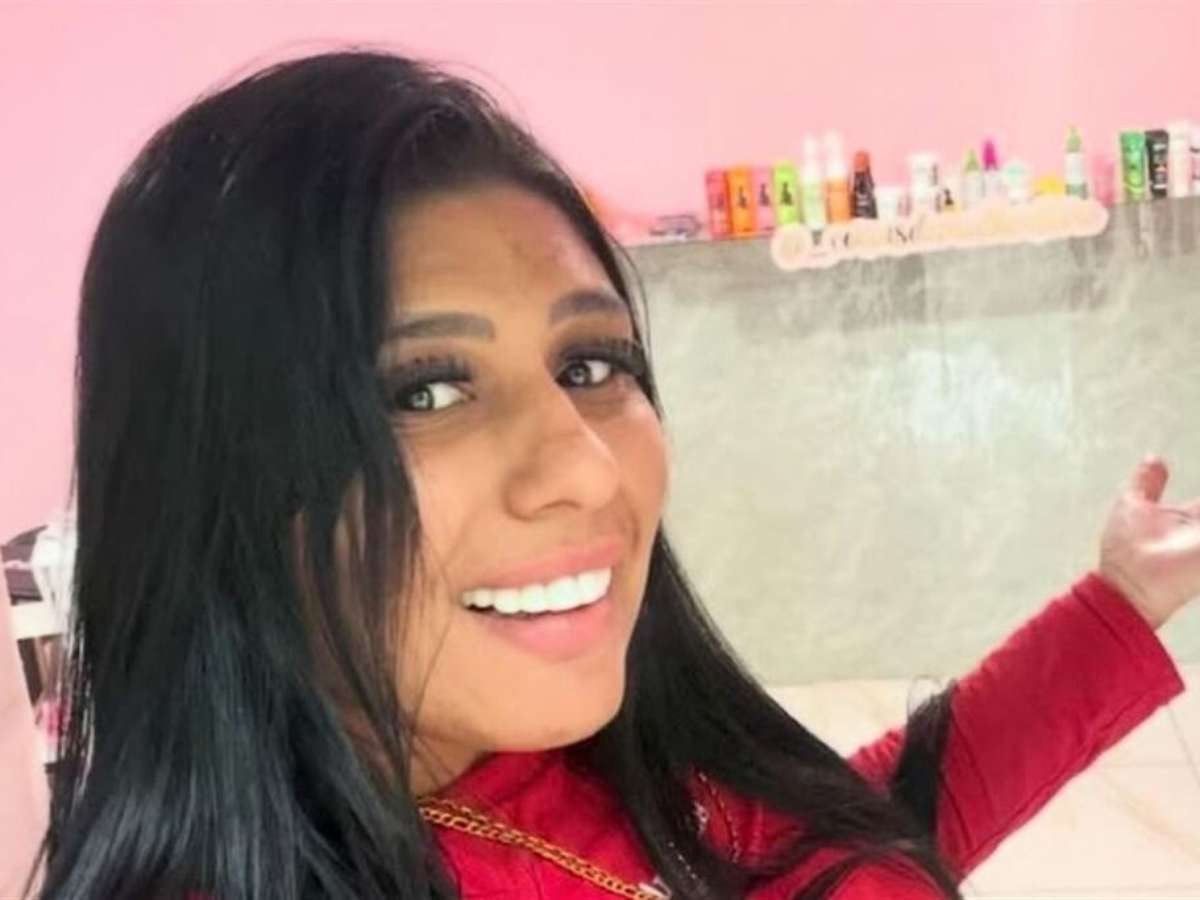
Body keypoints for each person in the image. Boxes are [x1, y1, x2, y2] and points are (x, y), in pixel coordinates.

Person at [31, 50, 1199, 900]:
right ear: (216, 483)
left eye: (590, 364)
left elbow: (823, 857)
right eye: (424, 391)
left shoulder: (535, 746)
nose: (587, 470)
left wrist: (1117, 606)